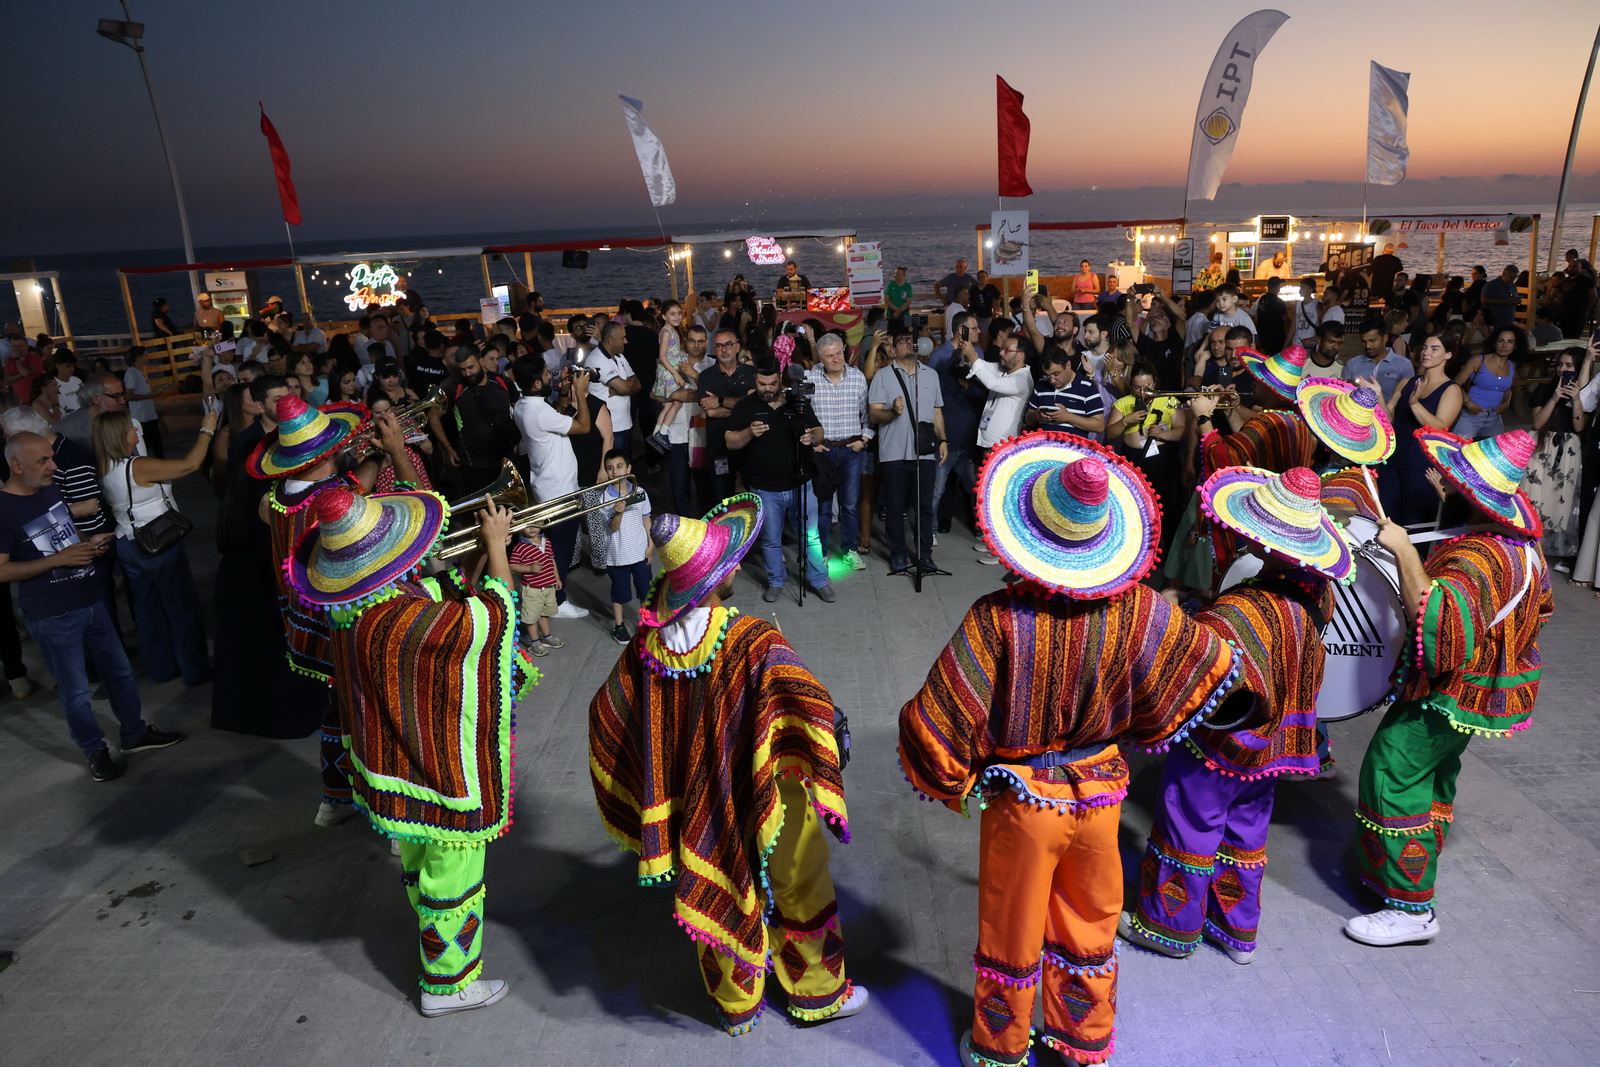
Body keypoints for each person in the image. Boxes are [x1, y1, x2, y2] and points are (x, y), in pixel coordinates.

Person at [897, 432, 1250, 1067]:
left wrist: (956, 779)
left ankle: (1001, 1046)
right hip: (1103, 794)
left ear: (1024, 532)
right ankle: (1082, 1039)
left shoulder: (996, 618)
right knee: (1090, 919)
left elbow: (939, 717)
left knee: (1012, 924)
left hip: (1026, 803)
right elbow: (1218, 666)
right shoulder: (1140, 611)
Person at [588, 498, 867, 1034]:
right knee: (798, 875)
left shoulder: (648, 644)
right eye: (731, 562)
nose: (738, 566)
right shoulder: (753, 639)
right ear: (718, 578)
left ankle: (735, 1001)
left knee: (711, 870)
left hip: (696, 795)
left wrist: (657, 771)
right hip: (764, 786)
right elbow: (811, 704)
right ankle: (817, 990)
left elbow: (607, 709)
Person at [290, 487, 521, 1016]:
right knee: (454, 872)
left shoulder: (350, 609)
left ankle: (431, 935)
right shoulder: (400, 620)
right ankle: (448, 985)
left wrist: (477, 555)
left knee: (423, 864)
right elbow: (492, 618)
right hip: (436, 769)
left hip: (393, 764)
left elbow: (436, 594)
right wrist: (498, 549)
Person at [1121, 466, 1345, 964]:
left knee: (1190, 821)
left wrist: (1173, 614)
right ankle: (1235, 929)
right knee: (1247, 827)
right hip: (1275, 742)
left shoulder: (1240, 610)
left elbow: (1197, 664)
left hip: (1221, 744)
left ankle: (1169, 927)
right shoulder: (1316, 596)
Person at [1345, 430, 1551, 946]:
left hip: (1447, 693)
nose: (1444, 484)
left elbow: (1440, 625)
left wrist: (1401, 551)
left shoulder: (1478, 558)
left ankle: (1411, 909)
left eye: (1454, 483)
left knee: (1392, 774)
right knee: (1434, 777)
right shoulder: (1520, 548)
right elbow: (1540, 611)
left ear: (1471, 496)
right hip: (1477, 695)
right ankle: (1402, 866)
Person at [249, 395, 419, 825]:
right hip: (349, 624)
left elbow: (349, 481)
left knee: (338, 709)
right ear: (326, 454)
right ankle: (396, 820)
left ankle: (334, 799)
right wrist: (395, 453)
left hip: (307, 629)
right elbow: (417, 501)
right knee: (379, 714)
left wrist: (372, 458)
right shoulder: (338, 501)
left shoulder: (276, 498)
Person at [0, 433, 181, 780]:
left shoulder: (49, 489)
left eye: (52, 457)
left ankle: (134, 734)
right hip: (53, 615)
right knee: (76, 690)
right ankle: (94, 751)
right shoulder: (4, 509)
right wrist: (59, 560)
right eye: (43, 461)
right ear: (17, 465)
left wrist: (88, 542)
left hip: (90, 599)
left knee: (121, 673)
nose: (54, 466)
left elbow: (64, 535)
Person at [94, 408, 216, 687]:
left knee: (147, 610)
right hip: (157, 542)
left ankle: (161, 668)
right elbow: (190, 465)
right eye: (130, 428)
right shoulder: (138, 466)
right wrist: (207, 429)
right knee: (180, 606)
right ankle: (195, 670)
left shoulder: (104, 465)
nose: (136, 431)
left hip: (127, 542)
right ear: (118, 435)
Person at [724, 361, 835, 603]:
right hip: (765, 489)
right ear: (755, 381)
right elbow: (730, 441)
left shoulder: (797, 403)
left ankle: (819, 580)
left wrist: (812, 439)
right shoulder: (745, 407)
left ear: (780, 380)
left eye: (772, 383)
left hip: (800, 484)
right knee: (771, 540)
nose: (767, 388)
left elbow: (818, 430)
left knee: (810, 537)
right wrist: (748, 433)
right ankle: (776, 580)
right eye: (762, 384)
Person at [868, 322, 946, 575]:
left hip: (924, 452)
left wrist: (943, 440)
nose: (909, 343)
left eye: (911, 340)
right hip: (893, 453)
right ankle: (898, 553)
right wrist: (892, 412)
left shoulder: (931, 375)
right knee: (895, 508)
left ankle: (925, 555)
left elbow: (937, 411)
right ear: (893, 348)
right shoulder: (882, 375)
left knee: (924, 508)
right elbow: (874, 414)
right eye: (902, 340)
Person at [1377, 335, 1465, 525]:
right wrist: (1378, 396)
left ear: (1448, 355)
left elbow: (1439, 428)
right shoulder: (1407, 382)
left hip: (1421, 467)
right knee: (1386, 521)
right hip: (1391, 461)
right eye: (1425, 347)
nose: (1426, 352)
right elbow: (1389, 418)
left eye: (1434, 348)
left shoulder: (1451, 389)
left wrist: (1415, 404)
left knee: (1415, 525)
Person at [806, 332, 871, 570]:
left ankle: (849, 550)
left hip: (851, 449)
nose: (836, 359)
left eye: (839, 353)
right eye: (830, 356)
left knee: (850, 504)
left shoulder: (857, 378)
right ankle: (823, 551)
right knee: (823, 506)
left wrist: (864, 439)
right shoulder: (810, 378)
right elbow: (803, 416)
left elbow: (868, 415)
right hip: (823, 451)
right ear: (820, 358)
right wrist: (813, 444)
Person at [1524, 348, 1588, 568]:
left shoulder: (1585, 393)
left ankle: (1544, 556)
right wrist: (1554, 398)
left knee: (1559, 501)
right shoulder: (1544, 389)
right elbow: (1537, 423)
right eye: (1560, 364)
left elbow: (1579, 426)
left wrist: (1577, 399)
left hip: (1568, 449)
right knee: (1533, 498)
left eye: (1569, 365)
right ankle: (1526, 551)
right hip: (1542, 446)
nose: (1562, 369)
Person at [441, 348, 519, 498]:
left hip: (507, 456)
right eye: (462, 370)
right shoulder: (455, 389)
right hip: (475, 462)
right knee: (483, 506)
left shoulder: (502, 382)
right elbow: (433, 417)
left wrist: (521, 441)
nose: (467, 373)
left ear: (481, 361)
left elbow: (519, 409)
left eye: (471, 367)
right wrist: (448, 448)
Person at [600, 449, 653, 644]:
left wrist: (651, 544)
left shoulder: (640, 492)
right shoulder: (604, 498)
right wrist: (618, 512)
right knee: (619, 593)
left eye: (619, 466)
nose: (615, 472)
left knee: (645, 590)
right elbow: (613, 527)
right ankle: (619, 625)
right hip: (617, 555)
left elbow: (646, 519)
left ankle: (645, 622)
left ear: (628, 468)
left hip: (640, 550)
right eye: (610, 468)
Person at [1451, 327, 1518, 438]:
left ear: (1515, 346)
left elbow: (1507, 389)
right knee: (1457, 447)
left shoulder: (1511, 365)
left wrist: (1506, 403)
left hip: (1494, 417)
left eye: (1510, 341)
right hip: (1471, 415)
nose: (1504, 345)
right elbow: (1454, 384)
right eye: (1500, 340)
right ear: (1494, 343)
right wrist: (1468, 403)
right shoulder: (1478, 361)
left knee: (1496, 448)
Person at [508, 524, 563, 656]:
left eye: (535, 524)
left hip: (548, 587)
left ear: (541, 523)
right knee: (531, 618)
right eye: (527, 525)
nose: (532, 528)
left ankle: (547, 636)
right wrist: (529, 569)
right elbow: (512, 566)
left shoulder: (546, 542)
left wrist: (557, 578)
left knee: (544, 614)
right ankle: (534, 643)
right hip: (532, 589)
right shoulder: (520, 547)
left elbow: (551, 560)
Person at [1343, 323, 1413, 408]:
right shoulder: (1352, 364)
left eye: (1372, 341)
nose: (1368, 346)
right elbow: (1344, 395)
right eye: (1364, 342)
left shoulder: (1403, 365)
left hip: (1392, 415)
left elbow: (1408, 397)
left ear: (1385, 338)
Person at [123, 347, 172, 458]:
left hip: (148, 414)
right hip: (141, 416)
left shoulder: (139, 371)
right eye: (145, 355)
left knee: (156, 443)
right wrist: (150, 396)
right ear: (139, 357)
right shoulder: (132, 373)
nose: (148, 357)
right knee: (146, 444)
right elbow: (128, 396)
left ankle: (160, 463)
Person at [1253, 276, 1292, 355]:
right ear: (1277, 287)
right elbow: (1285, 319)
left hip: (1264, 334)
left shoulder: (1262, 299)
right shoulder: (1279, 302)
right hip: (1277, 335)